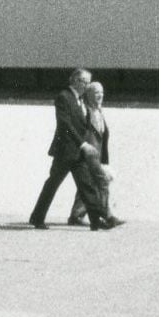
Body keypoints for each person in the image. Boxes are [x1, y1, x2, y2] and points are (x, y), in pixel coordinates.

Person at [28, 69, 118, 230]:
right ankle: (37, 218)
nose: (87, 85)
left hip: (78, 154)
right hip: (65, 152)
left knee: (87, 186)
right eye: (85, 82)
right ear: (76, 81)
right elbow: (65, 125)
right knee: (52, 184)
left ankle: (97, 222)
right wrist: (83, 144)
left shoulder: (81, 100)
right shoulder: (64, 97)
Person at [66, 80, 113, 226]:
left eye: (102, 93)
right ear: (89, 94)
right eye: (96, 93)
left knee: (87, 185)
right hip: (87, 154)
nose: (100, 96)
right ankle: (107, 215)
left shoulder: (99, 110)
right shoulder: (85, 110)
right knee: (102, 181)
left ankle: (76, 215)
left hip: (97, 155)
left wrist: (105, 159)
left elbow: (103, 136)